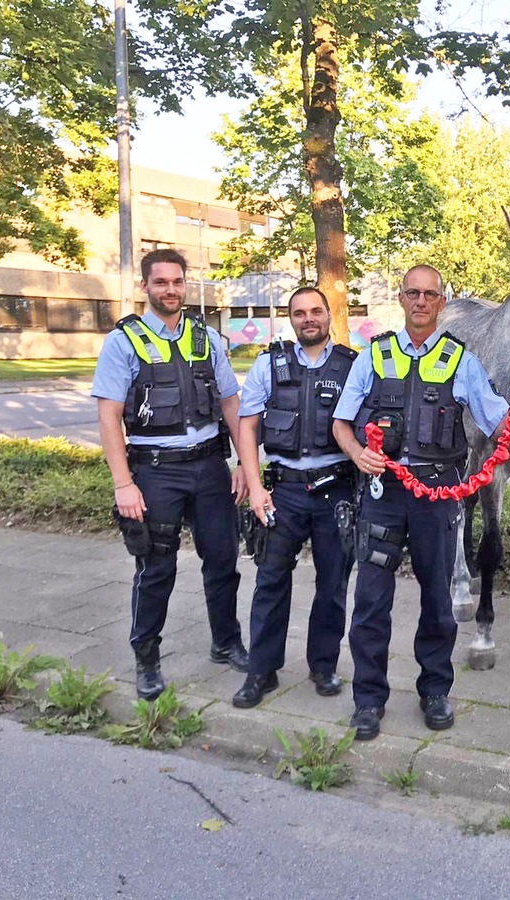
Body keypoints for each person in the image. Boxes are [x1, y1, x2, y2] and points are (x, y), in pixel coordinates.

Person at [331, 264, 510, 741]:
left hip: (438, 498)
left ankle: (435, 691)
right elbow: (342, 422)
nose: (421, 301)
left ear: (442, 303)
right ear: (401, 299)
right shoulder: (374, 356)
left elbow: (497, 423)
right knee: (369, 604)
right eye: (413, 293)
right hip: (383, 497)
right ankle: (368, 699)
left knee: (438, 604)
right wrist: (357, 452)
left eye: (431, 294)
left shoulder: (460, 360)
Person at [93, 248, 248, 700]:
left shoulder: (206, 338)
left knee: (222, 561)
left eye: (177, 282)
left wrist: (243, 463)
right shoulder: (123, 342)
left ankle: (226, 642)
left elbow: (230, 403)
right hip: (154, 472)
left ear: (186, 284)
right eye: (160, 282)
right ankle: (147, 658)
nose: (170, 290)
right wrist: (124, 484)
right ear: (146, 287)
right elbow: (109, 417)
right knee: (156, 568)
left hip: (209, 468)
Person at [231, 288, 358, 709]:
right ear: (291, 319)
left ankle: (323, 667)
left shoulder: (351, 367)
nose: (309, 319)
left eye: (316, 311)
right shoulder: (269, 365)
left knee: (333, 585)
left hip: (335, 491)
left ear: (328, 317)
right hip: (282, 491)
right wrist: (255, 485)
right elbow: (247, 428)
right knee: (269, 581)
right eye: (300, 313)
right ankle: (261, 671)